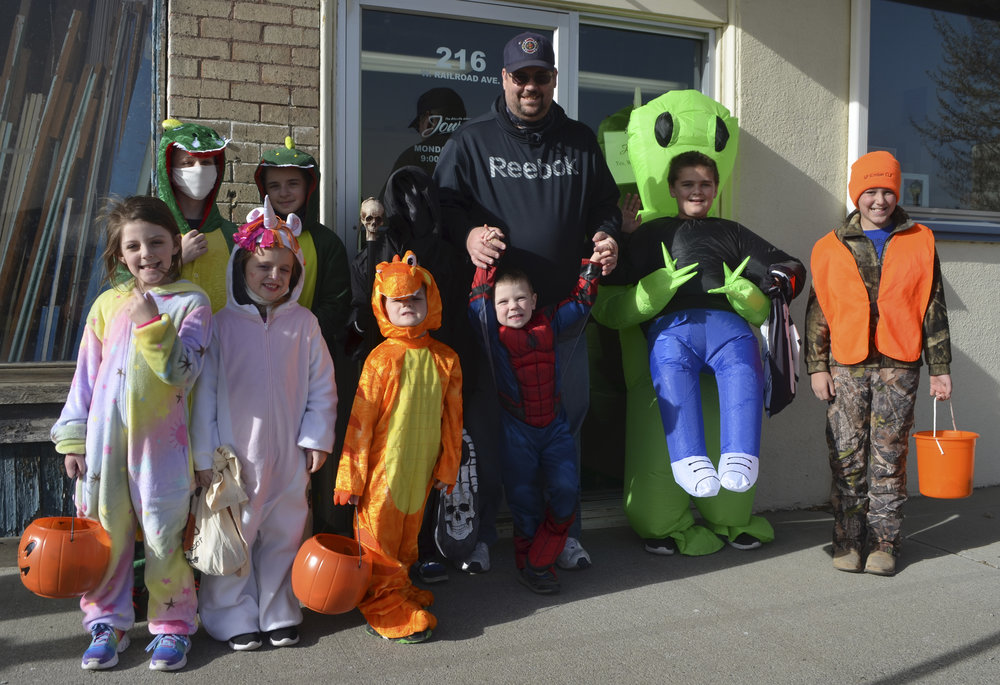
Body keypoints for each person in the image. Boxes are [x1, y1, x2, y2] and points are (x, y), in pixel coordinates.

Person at [434, 30, 621, 573]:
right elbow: (443, 206)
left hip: (562, 319)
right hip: (498, 324)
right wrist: (469, 235)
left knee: (566, 430)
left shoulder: (580, 141)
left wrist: (608, 236)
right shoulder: (471, 142)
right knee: (493, 430)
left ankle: (565, 536)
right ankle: (491, 535)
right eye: (521, 77)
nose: (531, 86)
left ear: (554, 79)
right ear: (504, 79)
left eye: (541, 76)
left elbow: (605, 207)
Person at [51, 196, 212, 671]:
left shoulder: (192, 302)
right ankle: (107, 622)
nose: (147, 255)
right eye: (134, 246)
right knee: (108, 534)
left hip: (163, 448)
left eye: (157, 242)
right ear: (120, 255)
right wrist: (74, 438)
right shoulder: (106, 304)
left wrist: (150, 323)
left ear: (175, 246)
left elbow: (184, 372)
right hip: (104, 447)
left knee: (164, 538)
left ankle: (173, 627)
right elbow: (85, 376)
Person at [607, 151, 804, 516]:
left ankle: (741, 456)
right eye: (688, 184)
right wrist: (622, 235)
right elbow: (615, 275)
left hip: (728, 328)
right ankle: (689, 459)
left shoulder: (730, 232)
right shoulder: (652, 232)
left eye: (705, 185)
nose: (697, 192)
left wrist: (779, 278)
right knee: (669, 364)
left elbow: (786, 264)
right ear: (672, 188)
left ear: (715, 188)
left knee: (745, 365)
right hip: (673, 329)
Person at [190, 197, 337, 650]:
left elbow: (322, 387)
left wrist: (317, 438)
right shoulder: (222, 326)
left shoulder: (305, 325)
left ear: (295, 275)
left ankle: (279, 609)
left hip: (290, 457)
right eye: (262, 268)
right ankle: (230, 613)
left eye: (284, 270)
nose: (274, 277)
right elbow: (204, 398)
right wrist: (203, 455)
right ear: (242, 268)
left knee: (285, 534)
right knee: (236, 535)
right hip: (234, 459)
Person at [805, 150, 952, 577]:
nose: (879, 200)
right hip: (845, 366)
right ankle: (848, 542)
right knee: (846, 456)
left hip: (900, 365)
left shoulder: (921, 239)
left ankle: (885, 544)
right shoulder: (829, 246)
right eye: (870, 190)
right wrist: (817, 366)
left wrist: (940, 367)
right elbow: (819, 310)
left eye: (887, 190)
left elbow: (933, 307)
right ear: (857, 194)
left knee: (889, 456)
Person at [335, 251, 462, 643]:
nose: (408, 306)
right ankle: (384, 606)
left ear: (431, 301)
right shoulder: (379, 359)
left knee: (408, 535)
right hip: (380, 476)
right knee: (380, 538)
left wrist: (448, 466)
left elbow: (453, 419)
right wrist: (350, 477)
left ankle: (399, 588)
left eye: (415, 299)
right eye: (398, 301)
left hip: (419, 471)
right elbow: (360, 422)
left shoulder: (446, 359)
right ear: (382, 305)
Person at [468, 248, 602, 594]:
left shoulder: (549, 321)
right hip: (517, 431)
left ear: (534, 300)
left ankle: (549, 547)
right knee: (523, 498)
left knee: (565, 490)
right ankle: (532, 564)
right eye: (504, 302)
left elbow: (581, 302)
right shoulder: (493, 336)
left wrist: (592, 266)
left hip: (555, 427)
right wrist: (486, 265)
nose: (513, 307)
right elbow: (476, 303)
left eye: (520, 299)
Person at [157, 118, 237, 312]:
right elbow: (129, 291)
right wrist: (178, 260)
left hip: (220, 340)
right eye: (187, 163)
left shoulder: (232, 235)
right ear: (169, 169)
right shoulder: (150, 230)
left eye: (206, 162)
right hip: (163, 339)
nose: (199, 169)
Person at [387, 87, 467, 180]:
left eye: (418, 126)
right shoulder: (475, 156)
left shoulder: (413, 157)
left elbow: (390, 193)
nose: (420, 132)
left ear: (429, 121)